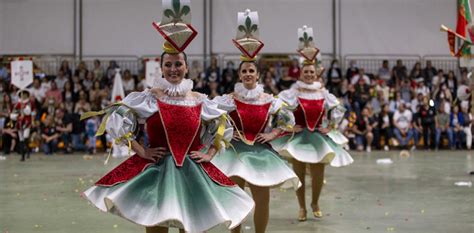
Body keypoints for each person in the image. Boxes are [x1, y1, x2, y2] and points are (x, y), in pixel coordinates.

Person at [82, 6, 253, 233]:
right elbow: (117, 119)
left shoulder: (199, 100)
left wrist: (210, 153)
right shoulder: (149, 98)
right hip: (156, 172)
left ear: (186, 67)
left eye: (178, 64)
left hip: (193, 173)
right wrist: (141, 151)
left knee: (192, 226)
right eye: (168, 64)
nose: (173, 69)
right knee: (156, 227)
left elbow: (222, 124)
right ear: (161, 68)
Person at [212, 11, 300, 233]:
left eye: (252, 70)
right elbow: (208, 115)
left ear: (258, 75)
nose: (248, 74)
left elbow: (287, 121)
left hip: (261, 153)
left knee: (263, 200)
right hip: (234, 153)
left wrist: (272, 134)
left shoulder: (270, 100)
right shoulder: (229, 99)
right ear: (239, 75)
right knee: (235, 199)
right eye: (244, 71)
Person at [270, 25, 352, 222]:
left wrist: (331, 126)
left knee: (317, 175)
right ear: (301, 73)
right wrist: (288, 125)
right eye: (305, 72)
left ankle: (315, 202)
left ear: (316, 74)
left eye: (311, 72)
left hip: (318, 137)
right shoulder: (294, 92)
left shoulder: (322, 92)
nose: (308, 75)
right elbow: (277, 105)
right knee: (299, 175)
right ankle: (302, 207)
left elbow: (339, 108)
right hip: (299, 137)